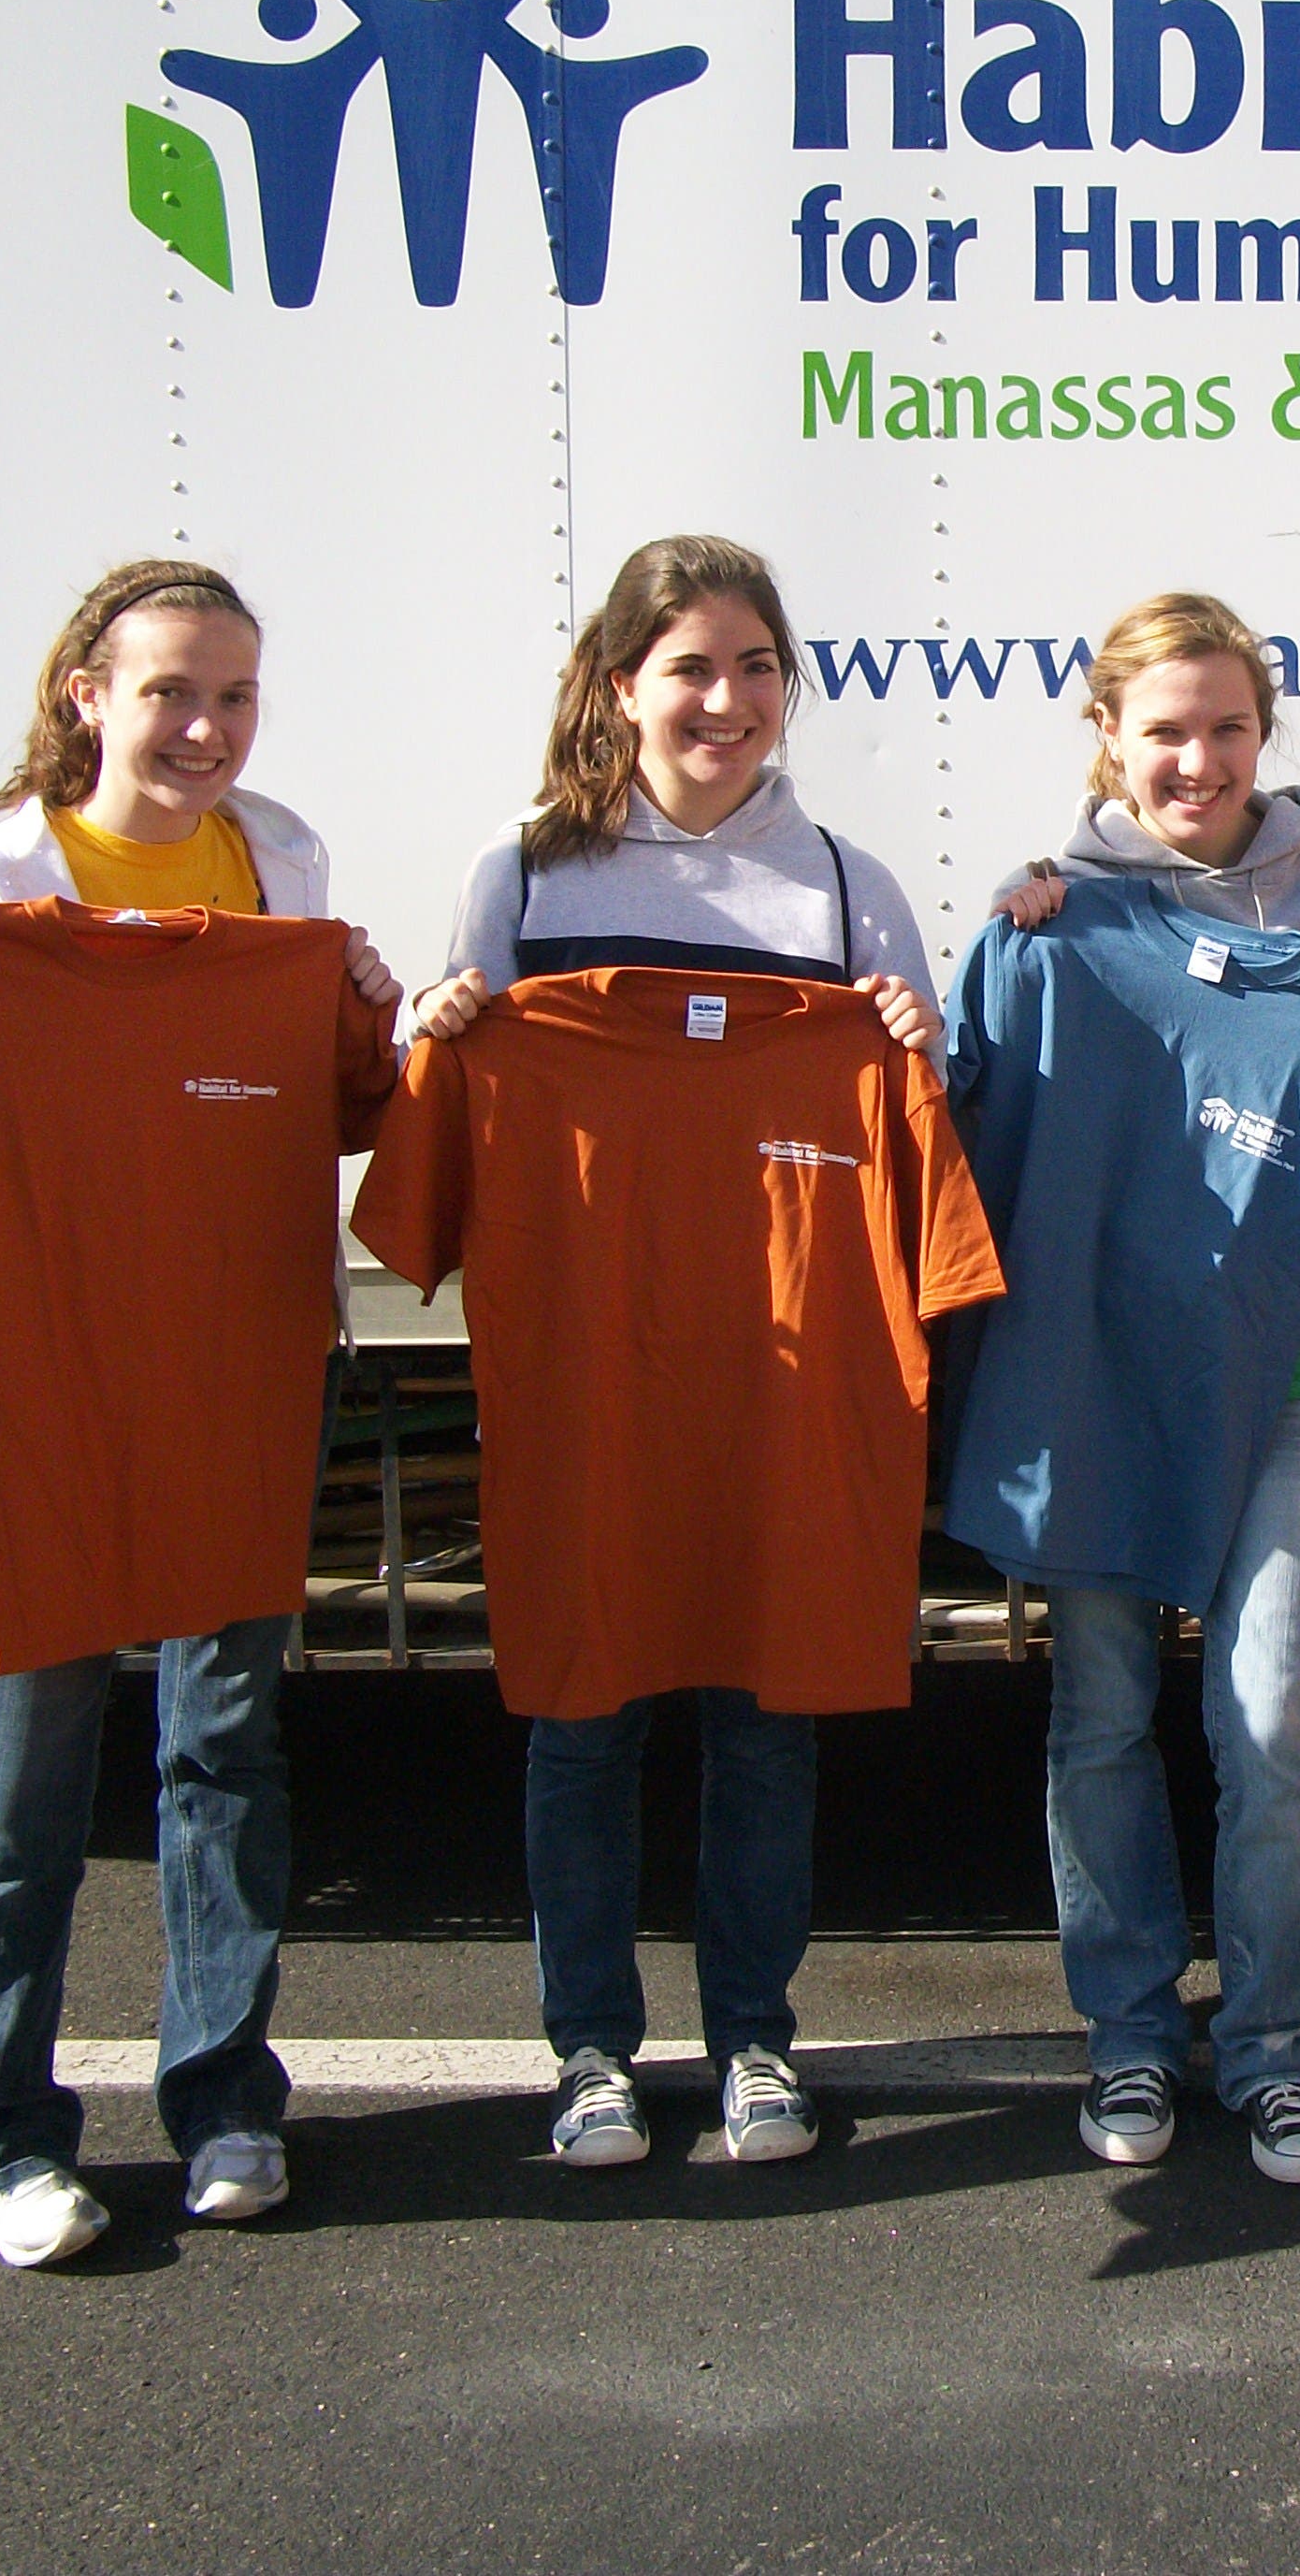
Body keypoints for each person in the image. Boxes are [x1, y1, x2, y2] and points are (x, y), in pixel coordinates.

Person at [0, 557, 403, 2268]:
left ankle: (224, 2091)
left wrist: (369, 1005)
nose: (207, 729)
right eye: (172, 692)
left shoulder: (282, 862)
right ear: (87, 690)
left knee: (222, 1747)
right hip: (48, 1369)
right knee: (28, 1769)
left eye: (234, 696)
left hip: (240, 1356)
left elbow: (343, 1107)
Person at [411, 532, 945, 2172]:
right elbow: (435, 1135)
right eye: (693, 668)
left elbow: (933, 1129)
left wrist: (925, 1045)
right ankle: (588, 2052)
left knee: (760, 1722)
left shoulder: (849, 890)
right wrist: (430, 1040)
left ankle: (757, 2043)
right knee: (585, 1714)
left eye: (757, 668)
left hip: (786, 1390)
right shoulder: (524, 879)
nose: (727, 701)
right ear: (623, 684)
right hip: (593, 1384)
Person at [980, 593, 1300, 2185]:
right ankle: (1129, 2038)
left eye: (1228, 727)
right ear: (1109, 737)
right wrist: (995, 958)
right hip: (1096, 1373)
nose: (1198, 760)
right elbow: (971, 1123)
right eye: (1166, 730)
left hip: (1289, 1363)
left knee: (1267, 1715)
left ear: (1269, 732)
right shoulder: (1056, 917)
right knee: (1102, 1711)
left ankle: (1274, 2049)